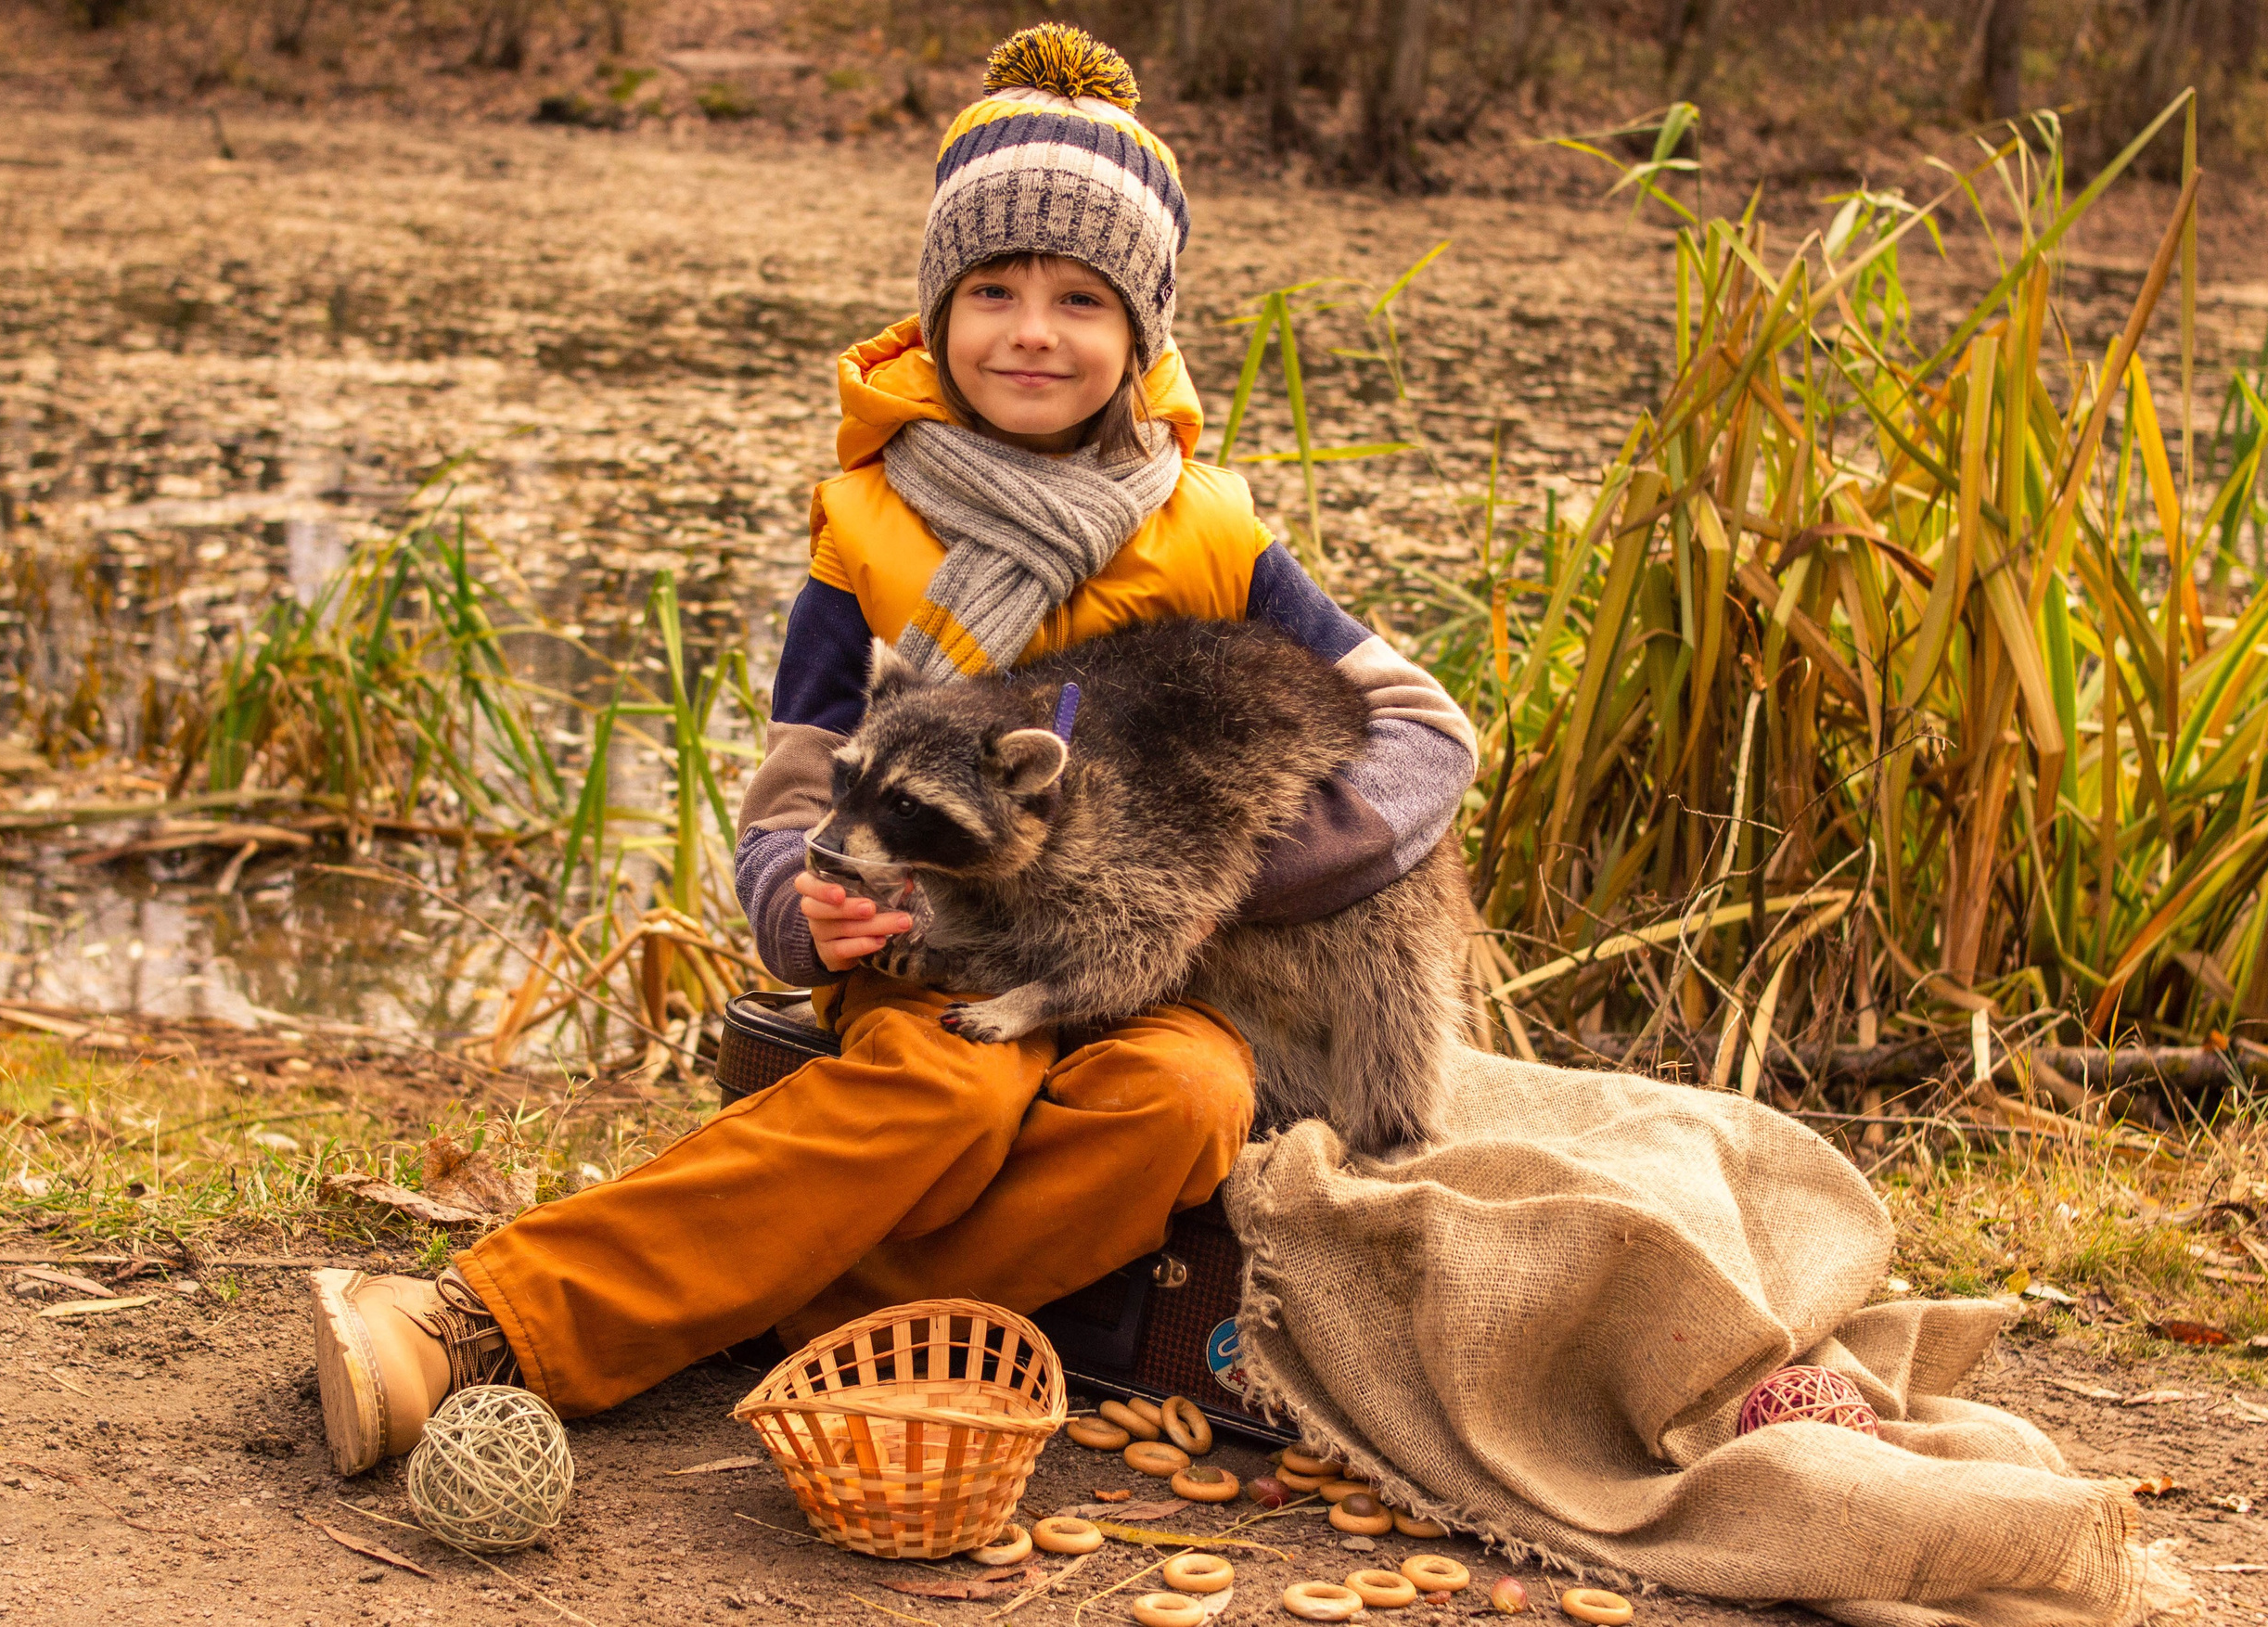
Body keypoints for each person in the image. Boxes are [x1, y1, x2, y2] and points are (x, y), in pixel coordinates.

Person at [309, 22, 1478, 1476]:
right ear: (935, 314)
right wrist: (803, 904)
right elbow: (798, 783)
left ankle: (769, 1332)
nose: (1031, 331)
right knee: (951, 1090)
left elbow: (1430, 732)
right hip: (948, 958)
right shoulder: (870, 528)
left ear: (1143, 333)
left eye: (1079, 297)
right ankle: (484, 1321)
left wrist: (1218, 873)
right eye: (990, 289)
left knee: (1183, 1101)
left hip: (1165, 968)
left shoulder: (1211, 534)